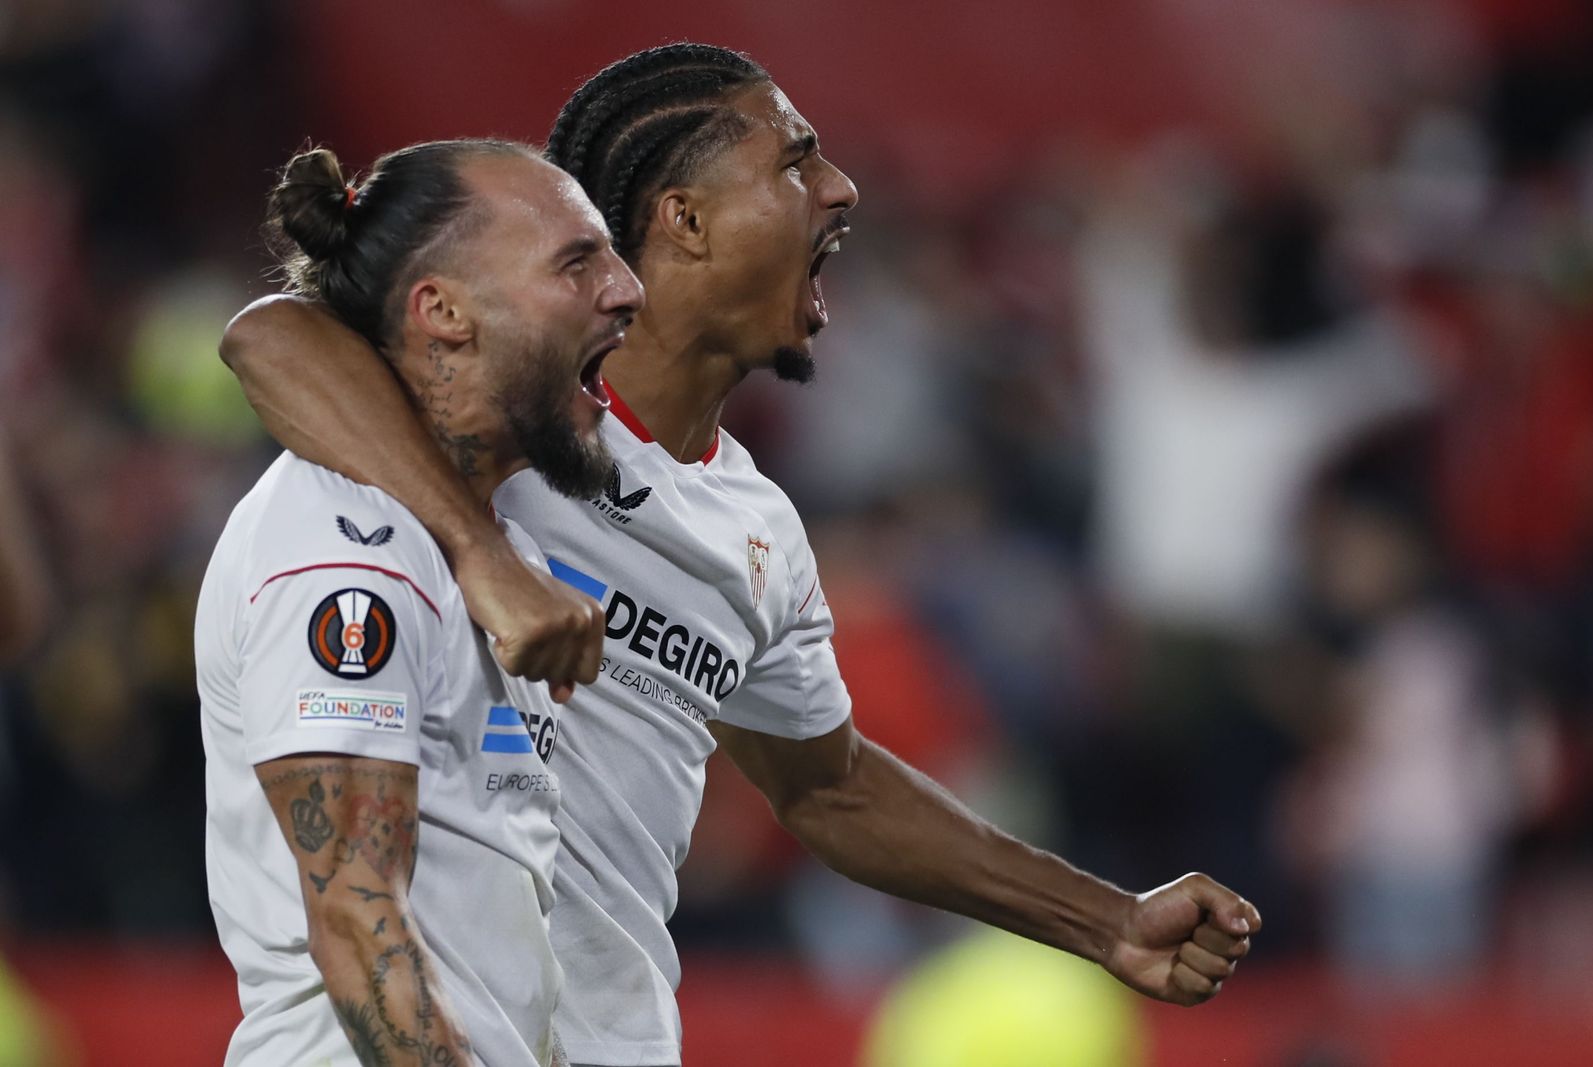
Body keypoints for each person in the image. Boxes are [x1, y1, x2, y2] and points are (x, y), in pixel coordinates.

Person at [220, 45, 1261, 1067]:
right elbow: (275, 337)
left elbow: (831, 785)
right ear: (685, 217)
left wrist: (1107, 918)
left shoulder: (747, 527)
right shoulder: (488, 424)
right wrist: (482, 550)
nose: (839, 187)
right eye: (796, 160)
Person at [198, 137, 642, 1066]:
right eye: (576, 261)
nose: (625, 288)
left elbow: (484, 945)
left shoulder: (494, 550)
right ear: (442, 311)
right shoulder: (346, 540)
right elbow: (359, 922)